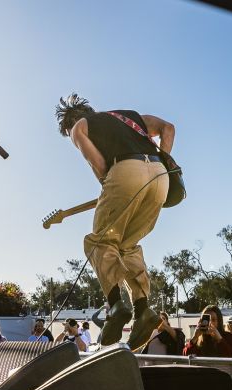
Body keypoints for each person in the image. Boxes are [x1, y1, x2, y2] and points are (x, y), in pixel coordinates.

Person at [56, 94, 174, 348]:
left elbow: (101, 168)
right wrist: (161, 162)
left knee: (99, 241)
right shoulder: (130, 117)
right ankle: (143, 308)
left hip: (125, 172)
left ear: (69, 124)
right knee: (127, 245)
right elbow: (168, 129)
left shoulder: (80, 127)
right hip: (161, 177)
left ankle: (117, 304)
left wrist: (114, 187)